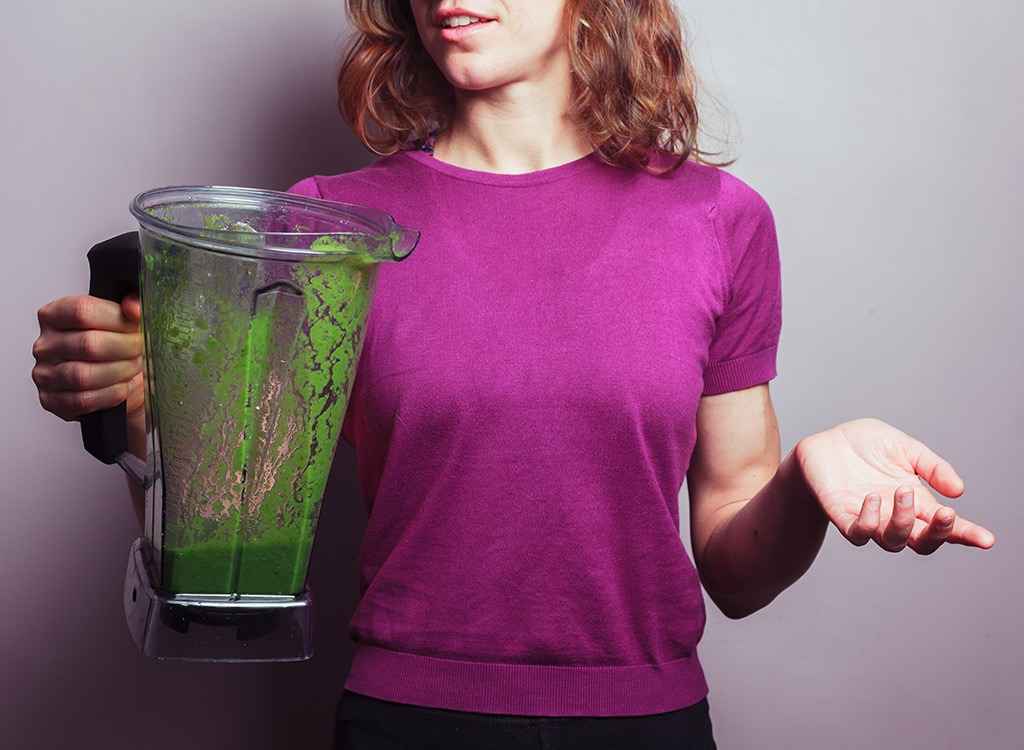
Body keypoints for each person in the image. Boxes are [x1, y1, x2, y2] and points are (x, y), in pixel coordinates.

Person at [32, 1, 995, 748]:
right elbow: (228, 557)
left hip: (646, 731)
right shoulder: (328, 230)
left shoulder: (720, 220)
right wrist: (153, 420)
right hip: (406, 725)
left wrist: (805, 479)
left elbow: (735, 573)